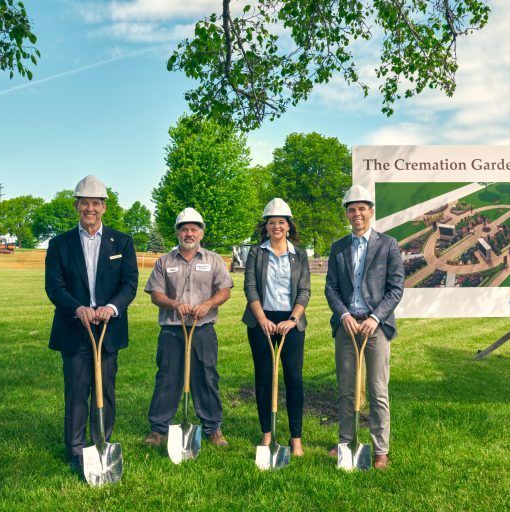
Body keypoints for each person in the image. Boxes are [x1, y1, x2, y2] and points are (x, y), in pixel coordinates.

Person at [45, 175, 138, 474]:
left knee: (105, 388)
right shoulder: (59, 244)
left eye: (96, 203)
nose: (90, 209)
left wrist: (112, 307)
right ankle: (75, 449)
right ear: (76, 206)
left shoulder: (122, 241)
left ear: (104, 207)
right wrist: (77, 308)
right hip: (75, 327)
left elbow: (130, 283)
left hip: (108, 327)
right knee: (76, 389)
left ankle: (101, 443)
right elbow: (54, 286)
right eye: (84, 203)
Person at [324, 184, 404, 470]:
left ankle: (380, 449)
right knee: (346, 388)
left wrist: (375, 318)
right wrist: (344, 315)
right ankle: (346, 442)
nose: (356, 214)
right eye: (351, 210)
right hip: (347, 325)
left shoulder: (388, 245)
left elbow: (396, 288)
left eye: (361, 209)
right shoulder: (339, 247)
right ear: (347, 214)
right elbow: (331, 288)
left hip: (376, 327)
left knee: (377, 389)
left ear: (371, 211)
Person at [143, 207, 233, 448]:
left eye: (194, 229)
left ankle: (213, 429)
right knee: (167, 377)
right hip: (172, 330)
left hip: (203, 330)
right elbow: (155, 294)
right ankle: (158, 429)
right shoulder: (165, 261)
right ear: (177, 233)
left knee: (207, 377)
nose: (189, 234)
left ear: (201, 233)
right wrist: (174, 304)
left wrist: (207, 305)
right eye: (184, 229)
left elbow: (225, 291)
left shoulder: (213, 259)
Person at [242, 198, 311, 456]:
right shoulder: (256, 252)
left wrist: (292, 320)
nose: (276, 227)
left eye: (281, 222)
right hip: (261, 321)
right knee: (263, 377)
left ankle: (296, 438)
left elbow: (304, 290)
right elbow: (250, 287)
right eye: (272, 222)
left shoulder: (299, 254)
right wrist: (262, 319)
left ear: (289, 225)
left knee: (293, 378)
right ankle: (267, 434)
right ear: (266, 226)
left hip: (291, 322)